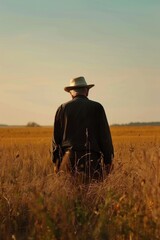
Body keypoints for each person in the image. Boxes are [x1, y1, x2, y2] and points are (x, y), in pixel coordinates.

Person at [52, 76, 114, 182]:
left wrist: (56, 163)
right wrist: (108, 161)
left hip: (68, 160)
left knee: (69, 196)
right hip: (92, 161)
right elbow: (105, 137)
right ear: (87, 91)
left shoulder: (62, 109)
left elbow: (56, 141)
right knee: (93, 195)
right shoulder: (97, 107)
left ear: (71, 93)